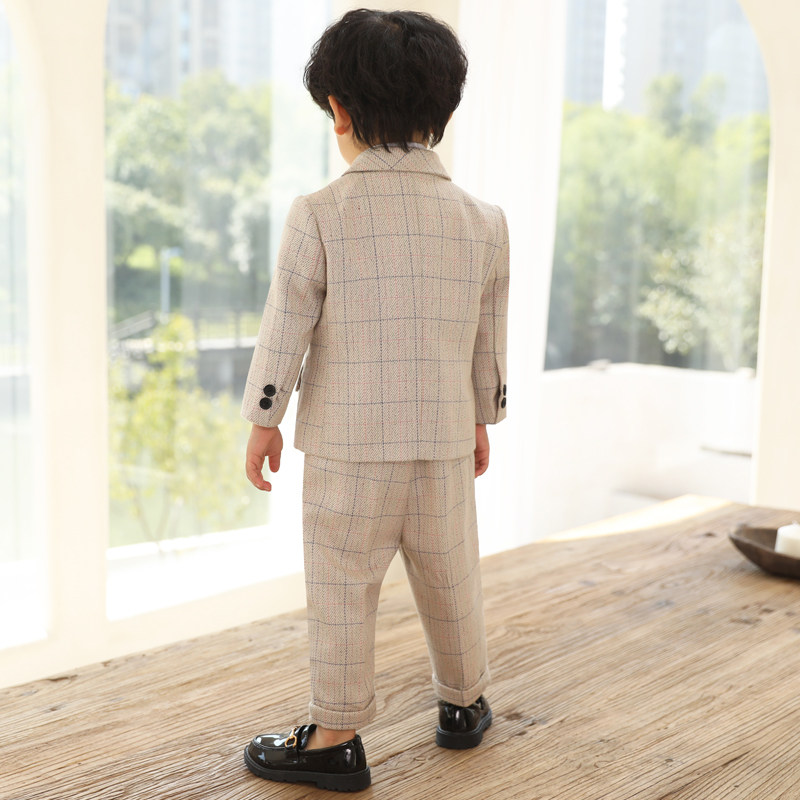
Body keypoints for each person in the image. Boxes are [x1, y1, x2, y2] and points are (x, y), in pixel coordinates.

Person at [240, 8, 509, 792]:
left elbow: (286, 323)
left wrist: (264, 418)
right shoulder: (484, 221)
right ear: (441, 110)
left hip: (347, 448)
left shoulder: (320, 212)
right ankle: (464, 703)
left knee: (341, 585)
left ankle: (334, 737)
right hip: (443, 440)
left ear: (339, 110)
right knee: (452, 574)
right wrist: (482, 416)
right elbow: (486, 335)